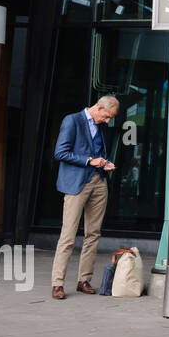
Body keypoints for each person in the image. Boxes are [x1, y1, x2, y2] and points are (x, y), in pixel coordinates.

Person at [50, 95, 119, 299]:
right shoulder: (72, 120)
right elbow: (60, 153)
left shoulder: (102, 125)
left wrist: (104, 163)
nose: (107, 121)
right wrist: (89, 161)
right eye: (106, 117)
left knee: (93, 233)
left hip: (99, 182)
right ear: (98, 108)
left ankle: (84, 280)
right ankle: (57, 283)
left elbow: (98, 151)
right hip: (77, 183)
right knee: (68, 235)